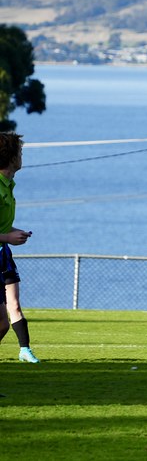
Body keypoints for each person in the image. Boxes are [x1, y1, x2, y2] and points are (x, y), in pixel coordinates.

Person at [0, 133, 38, 364]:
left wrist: (12, 233)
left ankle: (25, 350)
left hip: (2, 254)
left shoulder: (8, 184)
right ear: (11, 157)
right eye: (20, 152)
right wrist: (7, 236)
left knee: (4, 320)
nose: (22, 157)